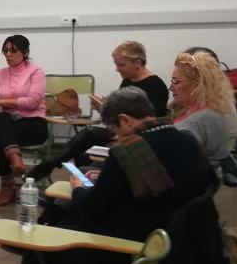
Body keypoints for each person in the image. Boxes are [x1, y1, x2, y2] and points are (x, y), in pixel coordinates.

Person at [8, 87, 213, 264]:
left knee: (43, 247)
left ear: (125, 120)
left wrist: (78, 189)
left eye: (114, 129)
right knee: (63, 221)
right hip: (173, 241)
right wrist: (105, 181)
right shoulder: (187, 140)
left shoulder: (128, 151)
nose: (114, 136)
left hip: (131, 250)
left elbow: (91, 210)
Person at [27, 40, 169, 181]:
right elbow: (121, 113)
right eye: (116, 64)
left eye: (121, 65)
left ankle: (50, 168)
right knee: (84, 146)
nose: (117, 69)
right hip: (120, 131)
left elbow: (149, 123)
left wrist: (106, 109)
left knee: (89, 135)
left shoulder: (156, 86)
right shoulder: (128, 81)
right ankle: (69, 178)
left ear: (138, 62)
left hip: (137, 138)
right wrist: (105, 107)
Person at [0, 35, 47, 206]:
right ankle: (15, 158)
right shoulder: (0, 74)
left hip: (33, 124)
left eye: (13, 50)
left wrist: (0, 102)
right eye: (5, 51)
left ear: (25, 52)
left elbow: (32, 102)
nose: (8, 54)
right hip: (8, 124)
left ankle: (8, 185)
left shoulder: (36, 72)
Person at [169, 51, 234, 166]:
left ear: (198, 85)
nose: (171, 88)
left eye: (176, 81)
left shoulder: (198, 121)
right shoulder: (217, 108)